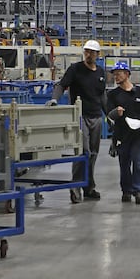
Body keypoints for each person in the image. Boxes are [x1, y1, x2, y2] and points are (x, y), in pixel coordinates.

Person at [47, 40, 107, 202]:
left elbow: (102, 96)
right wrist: (54, 99)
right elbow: (61, 85)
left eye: (92, 52)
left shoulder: (101, 72)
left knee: (93, 154)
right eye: (86, 51)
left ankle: (88, 187)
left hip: (96, 117)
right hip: (80, 117)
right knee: (83, 153)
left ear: (97, 55)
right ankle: (75, 188)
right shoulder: (75, 69)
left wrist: (110, 115)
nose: (89, 55)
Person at [106, 62, 140, 204]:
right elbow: (108, 115)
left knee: (139, 163)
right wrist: (116, 112)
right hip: (121, 135)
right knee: (124, 164)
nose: (116, 76)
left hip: (138, 134)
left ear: (127, 74)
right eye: (114, 74)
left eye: (118, 73)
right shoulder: (113, 95)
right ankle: (126, 191)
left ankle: (139, 191)